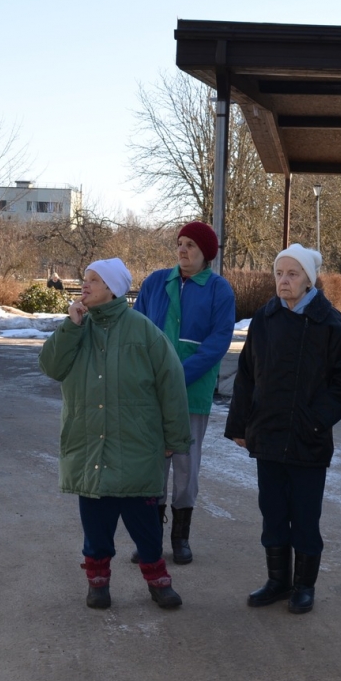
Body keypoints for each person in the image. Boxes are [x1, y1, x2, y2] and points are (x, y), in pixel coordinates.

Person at [39, 257, 193, 610]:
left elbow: (171, 386)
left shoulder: (144, 332)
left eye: (93, 279)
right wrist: (70, 326)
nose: (85, 284)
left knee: (146, 529)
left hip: (136, 446)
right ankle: (98, 583)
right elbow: (51, 366)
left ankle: (158, 581)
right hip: (89, 445)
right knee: (95, 526)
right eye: (85, 278)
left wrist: (174, 440)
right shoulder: (78, 327)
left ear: (113, 289)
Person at [226, 245, 341, 613]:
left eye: (292, 274)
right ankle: (277, 582)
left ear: (308, 280)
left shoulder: (330, 322)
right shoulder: (265, 318)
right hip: (268, 436)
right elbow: (247, 375)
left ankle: (304, 586)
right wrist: (240, 424)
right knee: (272, 512)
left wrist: (316, 419)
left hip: (308, 440)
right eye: (279, 273)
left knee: (304, 517)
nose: (283, 281)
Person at [132, 222, 236, 564]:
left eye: (190, 244)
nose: (182, 249)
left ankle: (180, 537)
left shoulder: (219, 290)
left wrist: (177, 376)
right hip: (151, 392)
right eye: (180, 242)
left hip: (193, 391)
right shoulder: (155, 282)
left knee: (186, 465)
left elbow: (218, 342)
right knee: (152, 465)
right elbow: (136, 329)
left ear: (206, 253)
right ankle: (150, 539)